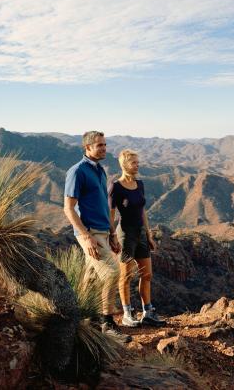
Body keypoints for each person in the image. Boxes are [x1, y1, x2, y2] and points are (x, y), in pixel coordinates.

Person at [63, 131, 131, 343]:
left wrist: (112, 234)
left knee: (90, 281)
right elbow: (68, 209)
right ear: (87, 148)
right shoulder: (77, 171)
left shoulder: (100, 171)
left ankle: (85, 321)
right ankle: (107, 324)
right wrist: (85, 237)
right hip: (90, 233)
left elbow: (103, 207)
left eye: (104, 144)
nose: (104, 148)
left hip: (103, 232)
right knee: (112, 274)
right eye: (99, 145)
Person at [109, 149, 166, 327]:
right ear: (125, 165)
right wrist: (112, 236)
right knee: (125, 276)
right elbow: (110, 215)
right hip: (125, 234)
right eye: (134, 162)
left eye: (137, 162)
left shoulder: (139, 184)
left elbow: (142, 211)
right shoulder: (115, 187)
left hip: (140, 233)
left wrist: (148, 234)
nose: (137, 165)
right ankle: (127, 314)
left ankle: (147, 312)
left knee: (146, 274)